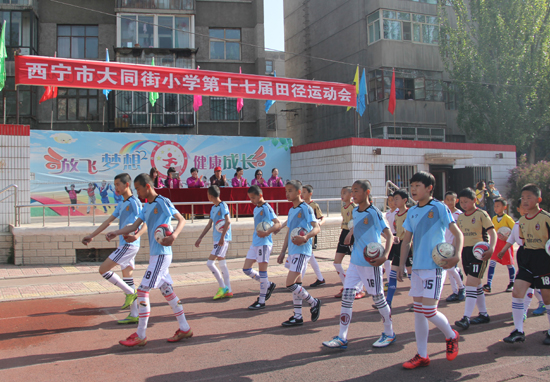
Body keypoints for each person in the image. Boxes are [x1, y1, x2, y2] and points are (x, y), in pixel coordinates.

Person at [107, 173, 191, 347]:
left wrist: (174, 235)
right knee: (167, 290)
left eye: (137, 189)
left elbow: (181, 219)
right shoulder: (145, 207)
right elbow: (133, 226)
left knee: (142, 290)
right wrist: (118, 233)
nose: (136, 192)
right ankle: (185, 328)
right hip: (156, 256)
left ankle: (140, 334)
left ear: (147, 186)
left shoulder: (163, 201)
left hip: (162, 254)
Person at [397, 171, 461, 369]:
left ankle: (451, 335)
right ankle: (422, 355)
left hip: (434, 267)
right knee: (418, 312)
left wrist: (456, 255)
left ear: (429, 188)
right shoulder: (413, 211)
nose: (414, 190)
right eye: (412, 186)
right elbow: (406, 240)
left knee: (429, 311)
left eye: (418, 186)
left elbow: (457, 234)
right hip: (417, 267)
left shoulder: (439, 207)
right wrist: (401, 264)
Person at [322, 179, 395, 350]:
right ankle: (342, 337)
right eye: (352, 191)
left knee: (378, 299)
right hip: (355, 261)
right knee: (347, 298)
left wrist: (385, 256)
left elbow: (389, 235)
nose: (353, 195)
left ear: (367, 192)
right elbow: (358, 224)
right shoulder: (355, 210)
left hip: (370, 263)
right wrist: (350, 234)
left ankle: (389, 333)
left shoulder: (374, 212)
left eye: (356, 191)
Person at [82, 173, 143, 325]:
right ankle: (134, 314)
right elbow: (108, 221)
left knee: (103, 269)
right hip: (125, 244)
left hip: (129, 245)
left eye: (117, 184)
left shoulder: (134, 202)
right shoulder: (122, 203)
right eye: (114, 185)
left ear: (126, 185)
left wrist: (136, 235)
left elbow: (143, 221)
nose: (115, 187)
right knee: (127, 277)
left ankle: (131, 293)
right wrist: (91, 236)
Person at [503, 184, 550, 345]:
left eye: (529, 197)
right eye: (523, 198)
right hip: (527, 259)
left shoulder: (546, 218)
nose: (524, 201)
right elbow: (522, 241)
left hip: (544, 259)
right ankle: (518, 331)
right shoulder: (522, 220)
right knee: (517, 292)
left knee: (547, 297)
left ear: (538, 199)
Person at [276, 180, 321, 327]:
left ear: (299, 192)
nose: (287, 193)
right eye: (286, 191)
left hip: (302, 251)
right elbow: (289, 231)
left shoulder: (306, 208)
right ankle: (297, 316)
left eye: (290, 190)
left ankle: (314, 302)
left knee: (289, 283)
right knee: (297, 284)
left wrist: (306, 237)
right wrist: (283, 251)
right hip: (293, 252)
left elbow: (316, 227)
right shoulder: (291, 210)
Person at [454, 187, 496, 330]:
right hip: (466, 252)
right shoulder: (460, 217)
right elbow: (458, 236)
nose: (464, 205)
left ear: (474, 200)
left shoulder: (481, 214)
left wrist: (491, 248)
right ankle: (483, 314)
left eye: (467, 202)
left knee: (470, 283)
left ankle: (466, 318)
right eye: (462, 202)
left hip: (479, 252)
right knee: (476, 284)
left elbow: (492, 232)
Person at [499, 199, 546, 318]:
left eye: (527, 206)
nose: (525, 209)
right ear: (518, 210)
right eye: (522, 207)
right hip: (523, 254)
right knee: (529, 284)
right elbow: (511, 239)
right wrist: (503, 250)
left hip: (537, 254)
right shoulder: (518, 223)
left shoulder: (539, 220)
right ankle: (527, 308)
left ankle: (526, 309)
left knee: (535, 285)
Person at [243, 185, 281, 309]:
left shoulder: (266, 207)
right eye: (250, 198)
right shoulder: (256, 209)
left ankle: (262, 301)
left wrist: (267, 232)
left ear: (260, 195)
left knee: (263, 272)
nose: (251, 201)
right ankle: (268, 285)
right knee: (246, 269)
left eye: (253, 198)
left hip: (264, 243)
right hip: (255, 243)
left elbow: (277, 223)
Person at [194, 185, 233, 299]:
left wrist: (222, 238)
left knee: (210, 263)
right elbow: (209, 224)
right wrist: (200, 237)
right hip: (217, 239)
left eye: (207, 194)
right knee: (222, 263)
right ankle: (229, 290)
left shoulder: (223, 205)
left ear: (210, 195)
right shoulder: (213, 208)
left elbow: (228, 221)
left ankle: (223, 287)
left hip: (222, 239)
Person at [385, 189, 413, 308]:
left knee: (413, 275)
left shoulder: (410, 213)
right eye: (393, 199)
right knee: (392, 274)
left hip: (408, 246)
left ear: (405, 200)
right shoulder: (396, 215)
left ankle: (417, 302)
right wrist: (395, 238)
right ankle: (388, 302)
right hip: (398, 245)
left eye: (397, 199)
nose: (394, 201)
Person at [483, 198, 515, 293]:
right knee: (492, 263)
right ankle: (488, 284)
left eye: (498, 206)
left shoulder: (507, 218)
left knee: (509, 264)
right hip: (497, 243)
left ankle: (512, 283)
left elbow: (515, 230)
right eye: (495, 206)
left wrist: (508, 237)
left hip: (506, 245)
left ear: (504, 207)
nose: (496, 208)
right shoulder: (494, 218)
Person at [333, 186, 357, 298]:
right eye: (341, 193)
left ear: (351, 195)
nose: (342, 195)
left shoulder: (354, 208)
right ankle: (347, 285)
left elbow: (356, 223)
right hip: (344, 233)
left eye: (344, 193)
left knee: (355, 264)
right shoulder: (343, 208)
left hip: (351, 235)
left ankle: (357, 289)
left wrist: (350, 234)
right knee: (336, 262)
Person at [302, 185, 327, 288]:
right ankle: (320, 279)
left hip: (310, 234)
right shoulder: (301, 205)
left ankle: (297, 281)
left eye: (304, 192)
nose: (302, 194)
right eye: (301, 192)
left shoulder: (314, 206)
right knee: (310, 257)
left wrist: (319, 224)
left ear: (310, 193)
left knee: (305, 256)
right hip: (302, 233)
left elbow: (322, 217)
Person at [443, 191, 466, 303]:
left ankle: (461, 288)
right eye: (448, 199)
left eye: (452, 199)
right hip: (444, 245)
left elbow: (460, 232)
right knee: (449, 269)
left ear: (456, 201)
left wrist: (456, 245)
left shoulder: (459, 214)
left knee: (450, 268)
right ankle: (455, 291)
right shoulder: (444, 213)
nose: (450, 202)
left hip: (453, 245)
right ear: (444, 201)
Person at [384, 193, 399, 288]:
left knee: (406, 263)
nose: (390, 202)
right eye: (389, 200)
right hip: (391, 238)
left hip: (399, 237)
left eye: (392, 200)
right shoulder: (387, 214)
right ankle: (390, 281)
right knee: (387, 261)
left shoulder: (399, 212)